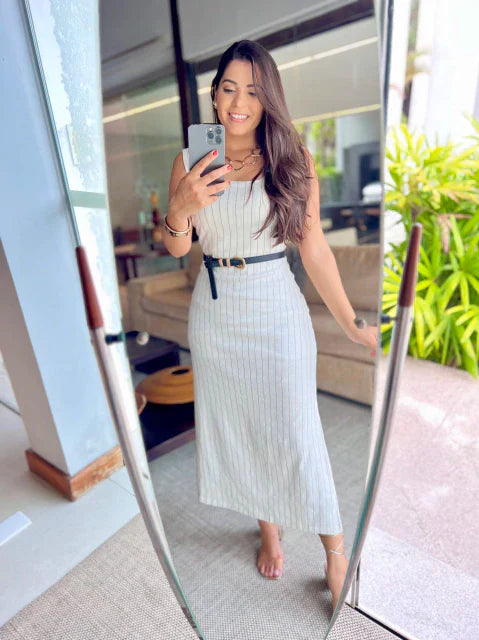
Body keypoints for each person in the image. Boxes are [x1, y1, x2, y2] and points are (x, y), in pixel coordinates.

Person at [163, 40, 378, 612]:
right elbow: (178, 245)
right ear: (214, 94)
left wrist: (352, 323)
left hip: (275, 308)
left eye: (253, 92)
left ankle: (335, 549)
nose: (239, 103)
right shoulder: (190, 159)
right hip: (215, 312)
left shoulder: (290, 155)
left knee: (297, 431)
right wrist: (180, 209)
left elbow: (314, 248)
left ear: (268, 98)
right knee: (244, 427)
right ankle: (270, 528)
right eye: (229, 89)